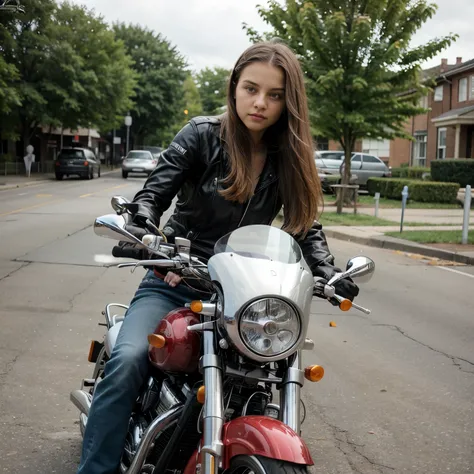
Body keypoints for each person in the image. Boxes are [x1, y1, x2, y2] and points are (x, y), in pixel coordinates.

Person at [77, 40, 359, 474]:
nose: (260, 103)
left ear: (290, 101)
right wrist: (143, 226)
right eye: (251, 89)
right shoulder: (202, 135)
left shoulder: (288, 157)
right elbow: (155, 192)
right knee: (130, 358)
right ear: (234, 87)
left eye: (275, 94)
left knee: (269, 368)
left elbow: (304, 224)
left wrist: (327, 271)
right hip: (177, 279)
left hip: (244, 294)